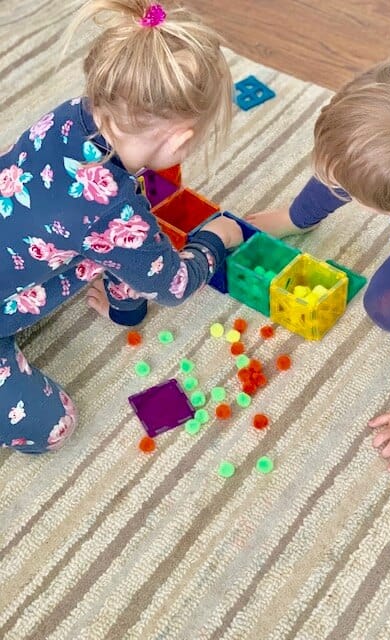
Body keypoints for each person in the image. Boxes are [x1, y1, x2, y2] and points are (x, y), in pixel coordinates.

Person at [0, 1, 242, 454]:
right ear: (180, 140)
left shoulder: (71, 113)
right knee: (54, 426)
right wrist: (217, 239)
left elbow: (108, 243)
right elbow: (170, 284)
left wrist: (124, 305)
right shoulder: (114, 215)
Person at [248, 58, 390, 472]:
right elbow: (349, 167)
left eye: (346, 190)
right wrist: (295, 218)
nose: (336, 187)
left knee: (389, 308)